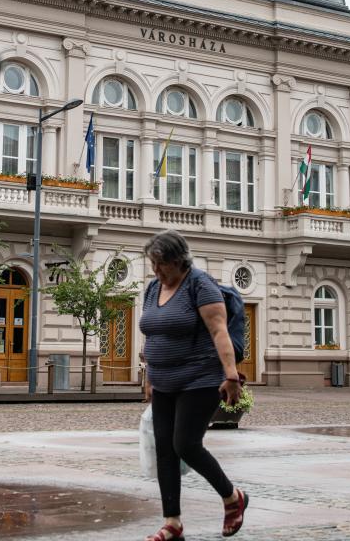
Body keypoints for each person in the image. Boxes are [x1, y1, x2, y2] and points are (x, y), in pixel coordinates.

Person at [139, 230, 248, 541]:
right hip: (163, 382)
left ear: (178, 260)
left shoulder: (200, 285)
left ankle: (232, 498)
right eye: (152, 264)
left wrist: (230, 376)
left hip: (199, 379)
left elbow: (219, 332)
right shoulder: (152, 288)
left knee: (185, 444)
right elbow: (153, 333)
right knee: (165, 450)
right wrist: (150, 378)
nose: (155, 270)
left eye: (160, 264)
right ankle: (172, 522)